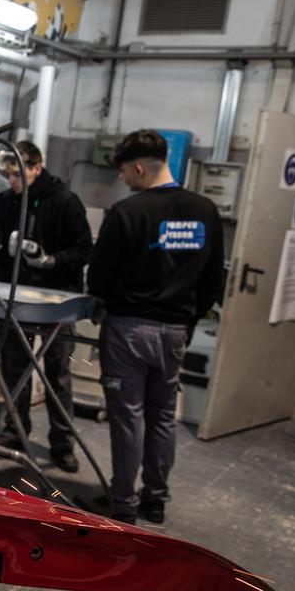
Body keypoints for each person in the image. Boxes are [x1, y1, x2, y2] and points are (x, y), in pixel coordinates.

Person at [88, 130, 224, 525]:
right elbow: (214, 281)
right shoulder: (205, 210)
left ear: (139, 167)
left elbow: (98, 280)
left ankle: (123, 504)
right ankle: (156, 500)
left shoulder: (126, 214)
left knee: (128, 417)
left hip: (129, 330)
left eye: (124, 174)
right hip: (176, 331)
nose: (124, 182)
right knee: (163, 416)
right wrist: (187, 319)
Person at [0, 141, 92, 472]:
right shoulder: (7, 202)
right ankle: (16, 433)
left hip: (55, 302)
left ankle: (62, 443)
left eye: (18, 174)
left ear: (36, 167)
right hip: (16, 300)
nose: (12, 180)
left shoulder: (65, 202)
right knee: (14, 371)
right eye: (8, 174)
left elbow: (83, 250)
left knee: (57, 374)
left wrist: (51, 260)